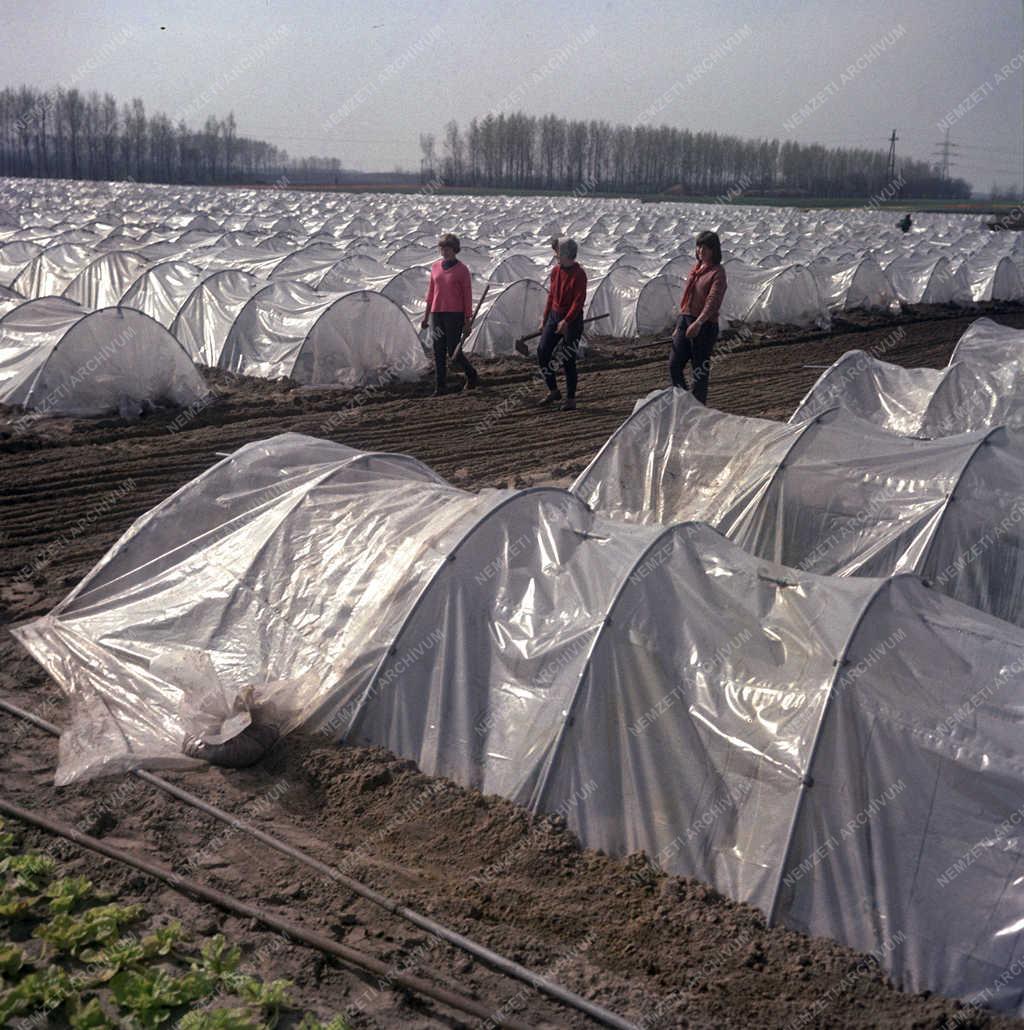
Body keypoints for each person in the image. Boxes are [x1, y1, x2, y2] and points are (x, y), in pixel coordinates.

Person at [670, 230, 727, 404]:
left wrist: (699, 322)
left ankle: (697, 407)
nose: (701, 251)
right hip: (685, 319)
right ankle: (684, 401)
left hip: (705, 325)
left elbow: (712, 301)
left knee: (699, 371)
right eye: (699, 246)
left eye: (706, 248)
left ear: (714, 250)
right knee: (674, 364)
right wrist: (679, 324)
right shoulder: (696, 269)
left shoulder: (717, 272)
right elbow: (687, 299)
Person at [421, 233, 479, 395]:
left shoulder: (462, 270)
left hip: (454, 314)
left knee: (453, 349)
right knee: (438, 349)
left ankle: (471, 373)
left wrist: (467, 319)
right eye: (442, 249)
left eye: (448, 249)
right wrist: (426, 317)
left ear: (455, 250)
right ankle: (440, 386)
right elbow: (431, 293)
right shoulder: (435, 267)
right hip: (437, 313)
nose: (445, 252)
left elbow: (467, 295)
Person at [537, 238, 586, 411]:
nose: (556, 255)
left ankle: (571, 399)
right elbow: (552, 296)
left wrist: (567, 320)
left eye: (557, 252)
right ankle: (553, 390)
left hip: (572, 320)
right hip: (555, 315)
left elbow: (578, 301)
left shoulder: (579, 274)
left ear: (566, 254)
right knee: (542, 351)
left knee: (567, 358)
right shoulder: (556, 271)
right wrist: (545, 319)